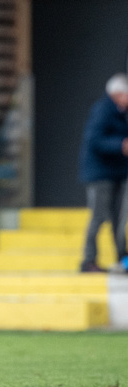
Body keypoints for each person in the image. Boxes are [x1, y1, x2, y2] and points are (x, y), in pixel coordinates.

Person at [78, 73, 128, 273]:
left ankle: (122, 258)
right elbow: (94, 141)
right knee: (98, 217)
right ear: (117, 94)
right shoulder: (102, 110)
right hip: (100, 175)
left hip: (118, 173)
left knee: (119, 219)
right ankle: (88, 260)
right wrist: (120, 145)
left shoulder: (122, 113)